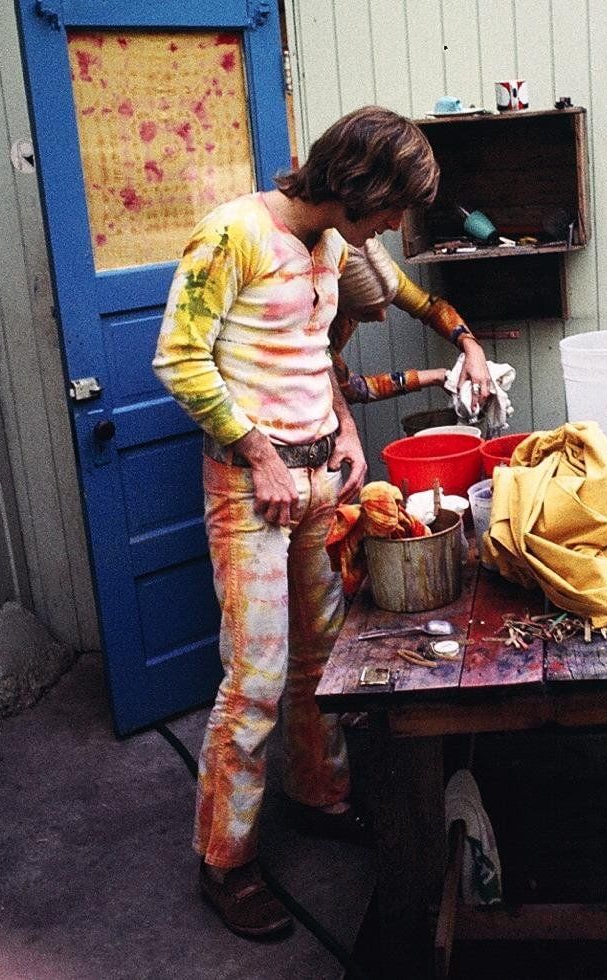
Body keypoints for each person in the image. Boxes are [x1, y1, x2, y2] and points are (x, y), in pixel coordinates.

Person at [151, 106, 439, 941]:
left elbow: (314, 356)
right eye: (391, 207)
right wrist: (263, 456)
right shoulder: (232, 233)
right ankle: (225, 861)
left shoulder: (331, 246)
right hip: (252, 487)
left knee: (323, 658)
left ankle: (319, 797)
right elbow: (178, 357)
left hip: (318, 479)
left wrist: (345, 430)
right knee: (255, 681)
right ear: (359, 185)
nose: (392, 225)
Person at [331, 236, 492, 407]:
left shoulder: (377, 272)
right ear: (337, 301)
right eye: (367, 311)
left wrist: (472, 347)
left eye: (388, 303)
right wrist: (436, 377)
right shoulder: (314, 325)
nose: (382, 316)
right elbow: (353, 389)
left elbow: (432, 309)